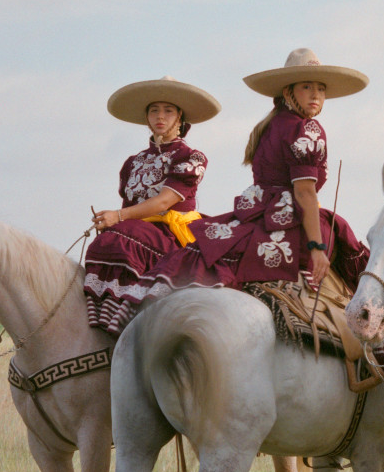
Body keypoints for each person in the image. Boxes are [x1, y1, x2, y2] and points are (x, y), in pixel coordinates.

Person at [144, 48, 370, 294]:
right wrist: (317, 247)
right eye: (306, 86)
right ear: (288, 91)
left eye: (321, 88)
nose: (315, 94)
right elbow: (305, 192)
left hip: (256, 212)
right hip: (291, 217)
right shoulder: (308, 128)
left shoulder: (269, 125)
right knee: (343, 242)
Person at [83, 76, 219, 336]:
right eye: (154, 110)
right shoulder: (132, 162)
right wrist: (113, 222)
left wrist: (118, 216)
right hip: (135, 229)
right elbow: (129, 204)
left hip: (173, 233)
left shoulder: (191, 157)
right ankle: (100, 323)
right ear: (146, 117)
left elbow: (164, 201)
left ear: (180, 117)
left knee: (122, 239)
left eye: (168, 110)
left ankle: (133, 322)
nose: (161, 116)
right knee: (105, 242)